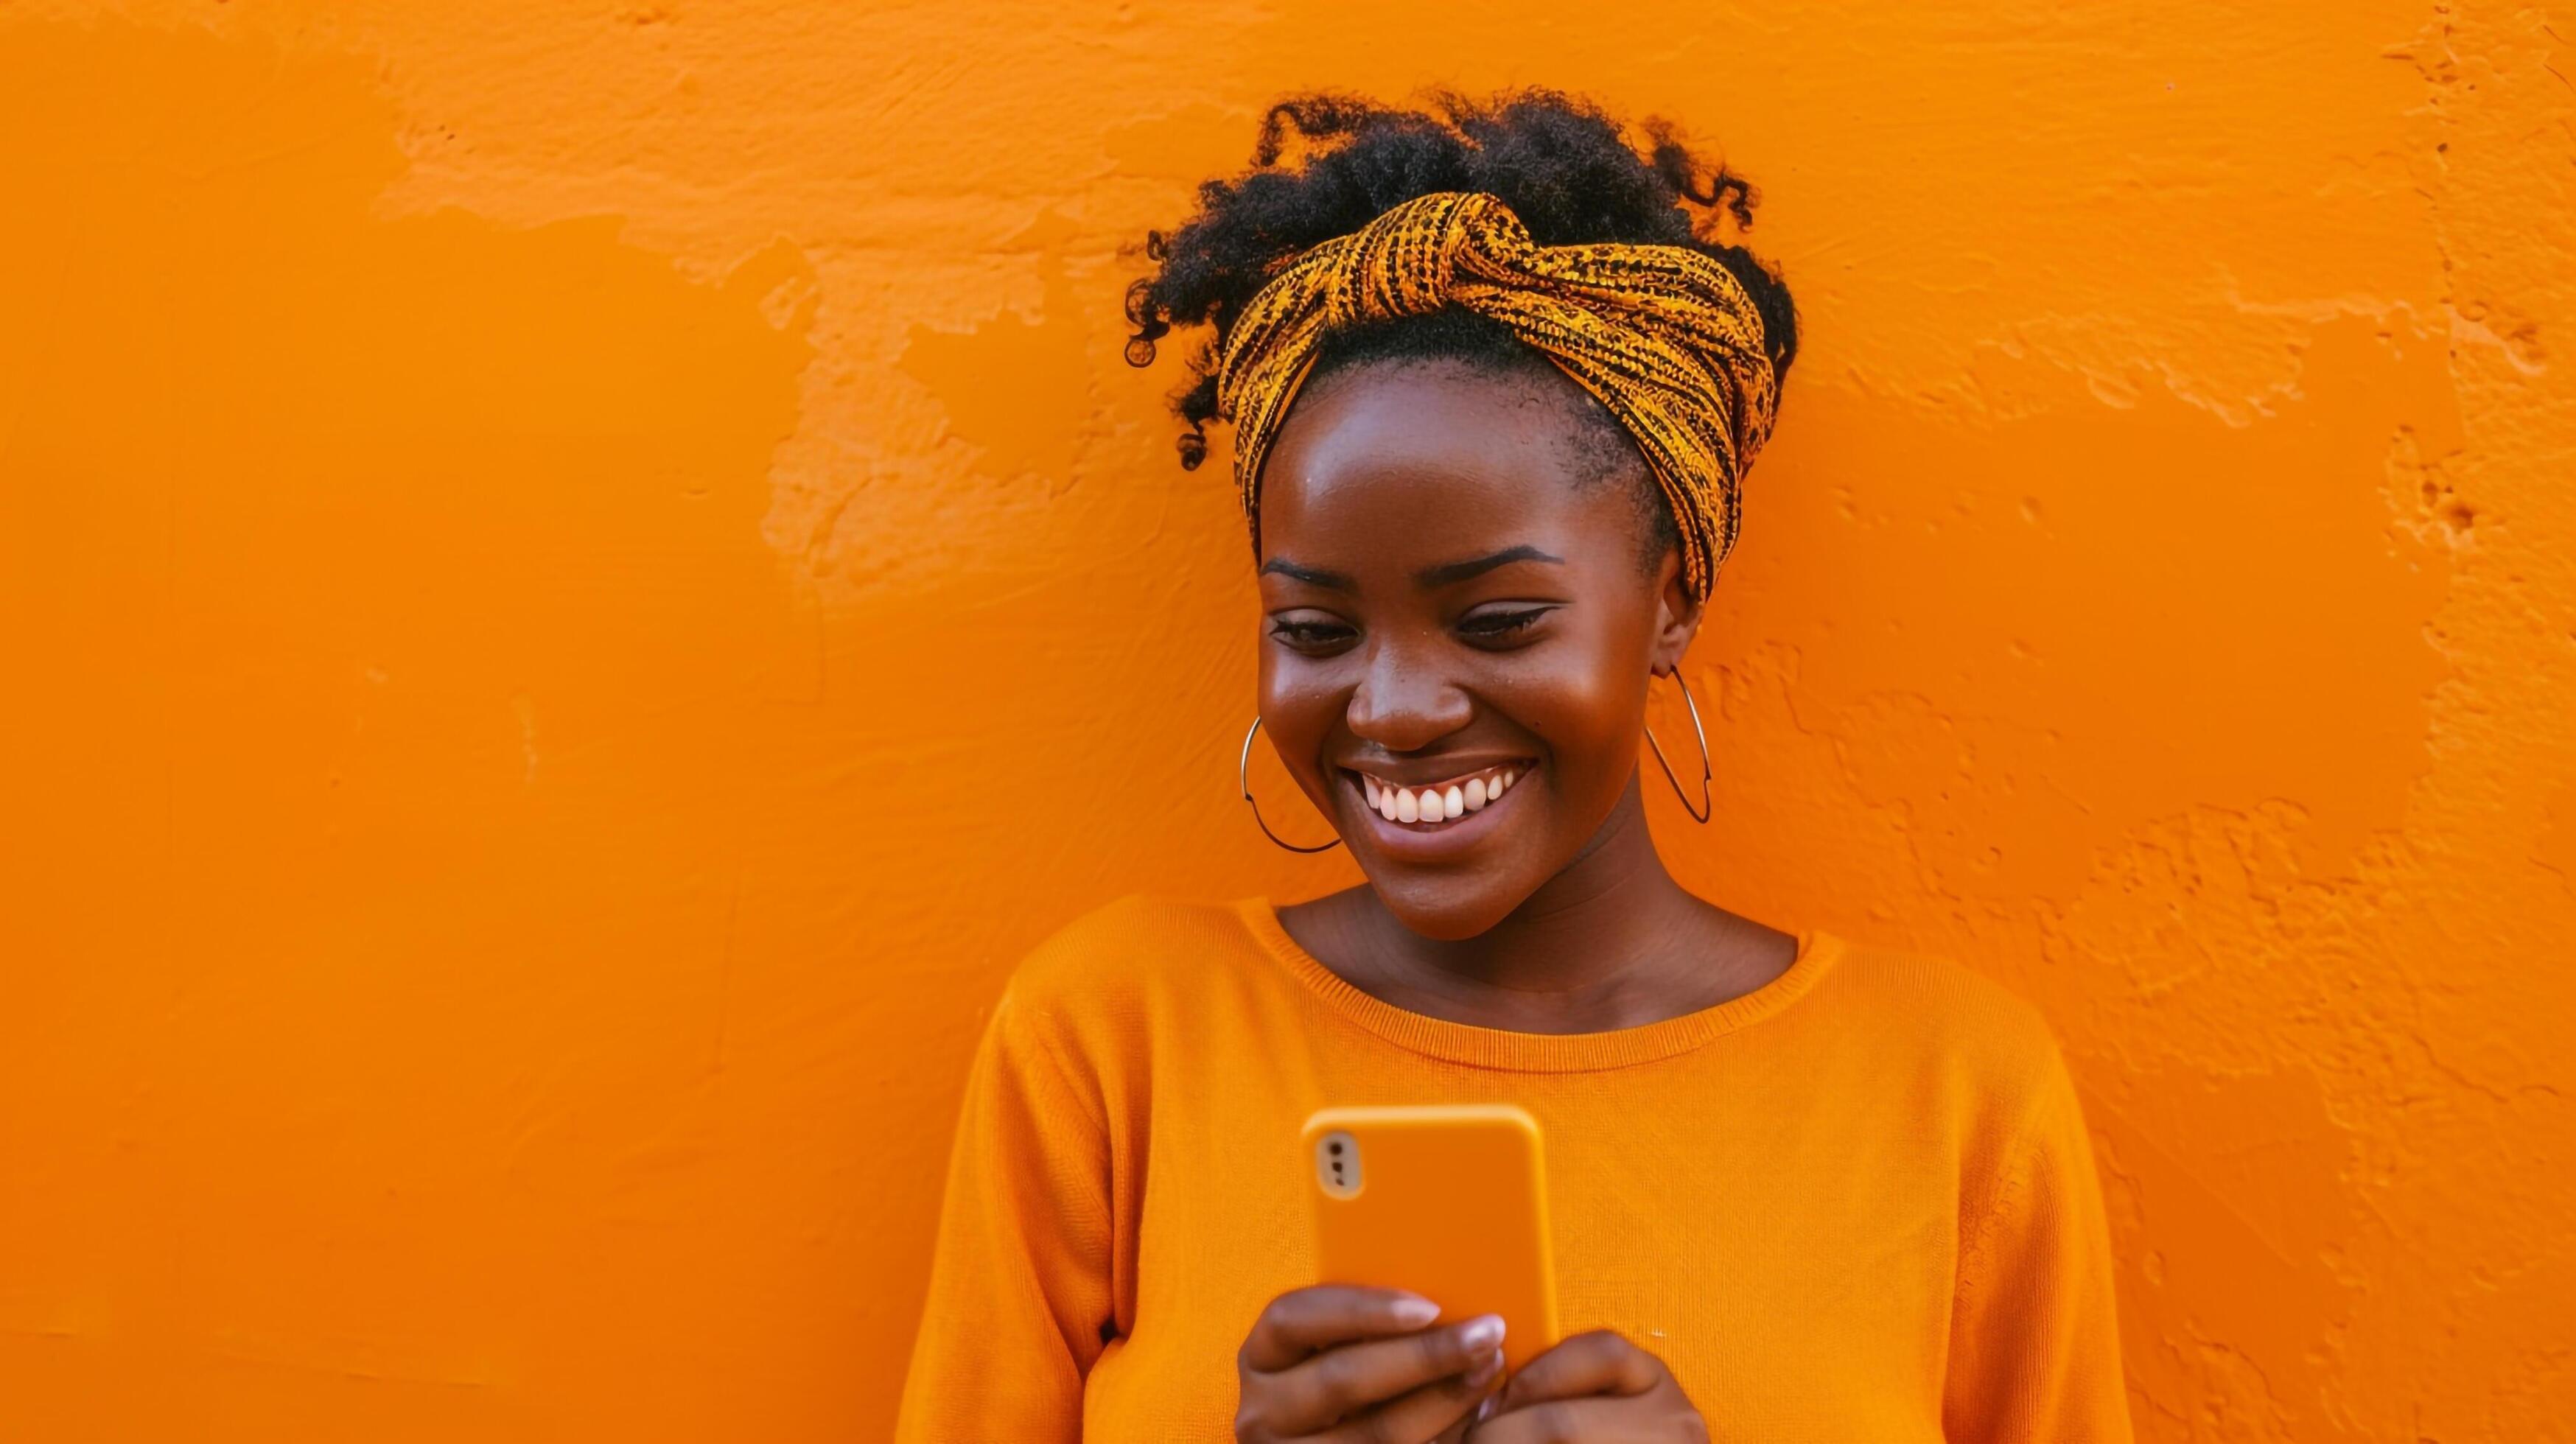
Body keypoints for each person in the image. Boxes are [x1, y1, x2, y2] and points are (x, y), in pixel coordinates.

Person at [894, 89, 2132, 1443]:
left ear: (1670, 602)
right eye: (1315, 629)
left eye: (1496, 621)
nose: (1399, 707)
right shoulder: (1113, 1041)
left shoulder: (1952, 1096)